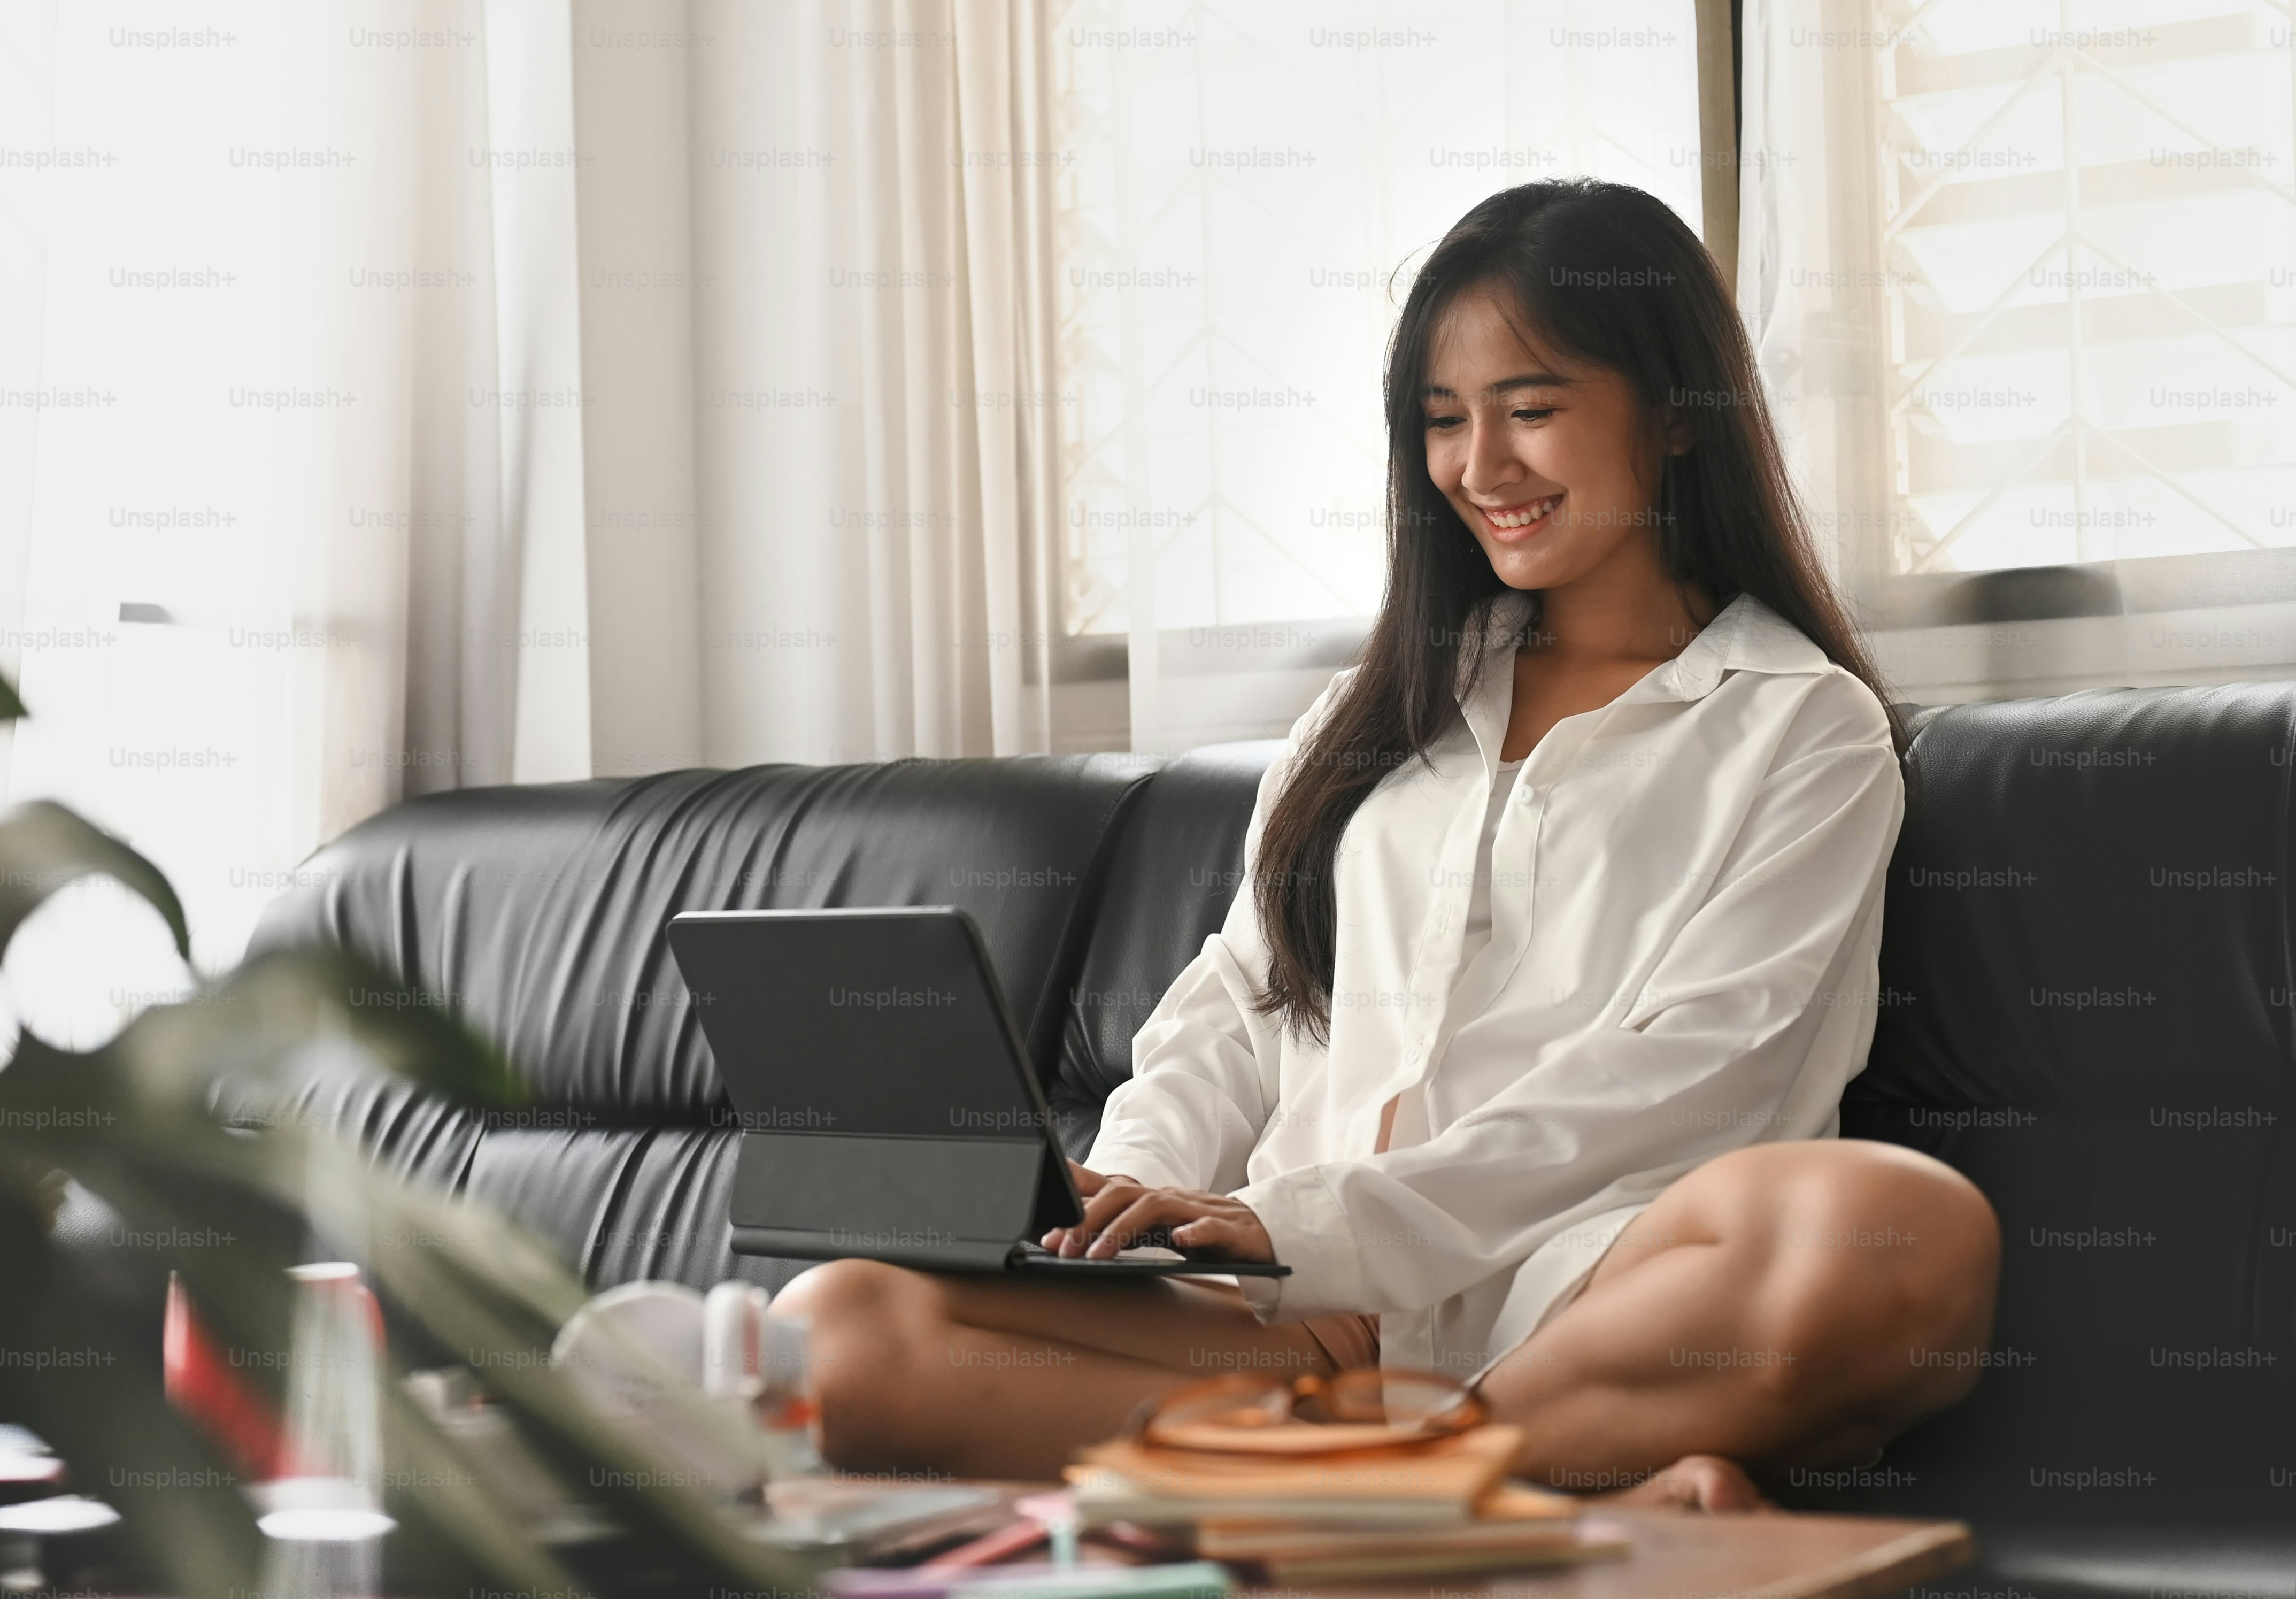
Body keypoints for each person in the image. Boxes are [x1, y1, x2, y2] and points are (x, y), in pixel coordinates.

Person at [771, 179, 1999, 1512]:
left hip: (1584, 1301)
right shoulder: (1366, 719)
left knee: (1898, 1242)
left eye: (1530, 409)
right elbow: (1236, 1008)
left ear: (1675, 417)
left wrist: (1321, 1224)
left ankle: (1380, 1486)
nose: (1480, 467)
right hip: (1295, 1326)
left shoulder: (1797, 726)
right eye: (1440, 421)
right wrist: (1128, 1198)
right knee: (836, 1325)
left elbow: (1701, 1076)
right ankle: (1489, 1503)